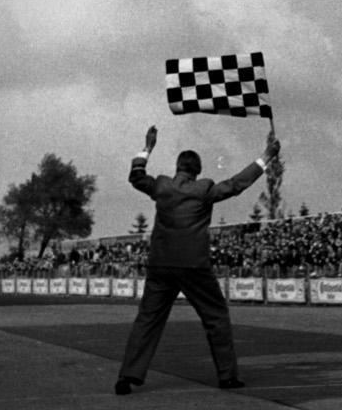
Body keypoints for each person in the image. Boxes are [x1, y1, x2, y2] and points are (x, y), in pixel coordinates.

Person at [115, 125, 280, 395]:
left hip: (161, 264)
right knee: (215, 316)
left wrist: (147, 148)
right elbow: (237, 184)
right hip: (194, 265)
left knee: (147, 320)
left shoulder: (162, 186)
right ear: (197, 171)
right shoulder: (204, 189)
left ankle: (127, 376)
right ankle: (227, 376)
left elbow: (135, 177)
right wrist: (266, 157)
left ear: (178, 167)